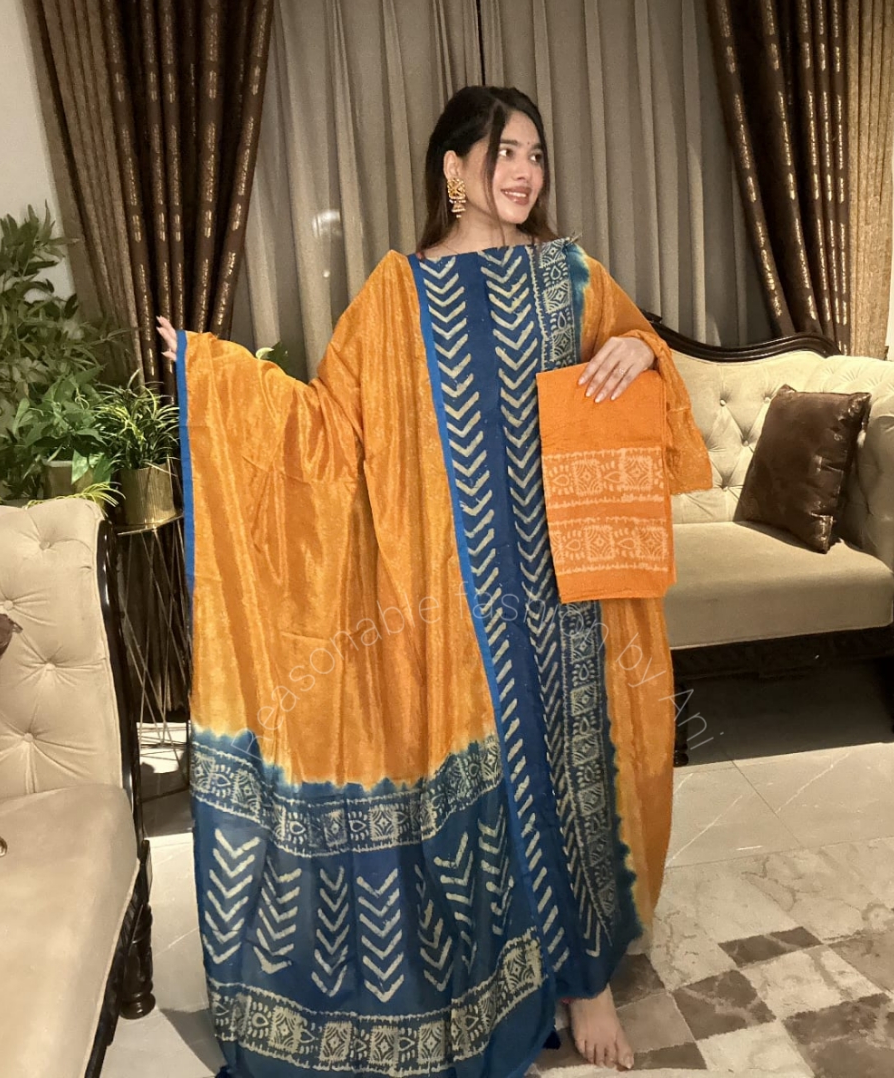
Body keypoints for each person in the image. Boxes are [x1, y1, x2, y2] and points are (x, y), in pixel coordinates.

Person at [157, 85, 710, 1078]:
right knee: (488, 787)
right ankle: (502, 979)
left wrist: (638, 347)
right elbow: (328, 436)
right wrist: (216, 375)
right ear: (453, 169)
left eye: (535, 153)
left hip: (567, 589)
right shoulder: (394, 296)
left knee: (572, 767)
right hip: (449, 606)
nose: (525, 171)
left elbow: (651, 373)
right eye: (505, 151)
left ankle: (584, 977)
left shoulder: (572, 276)